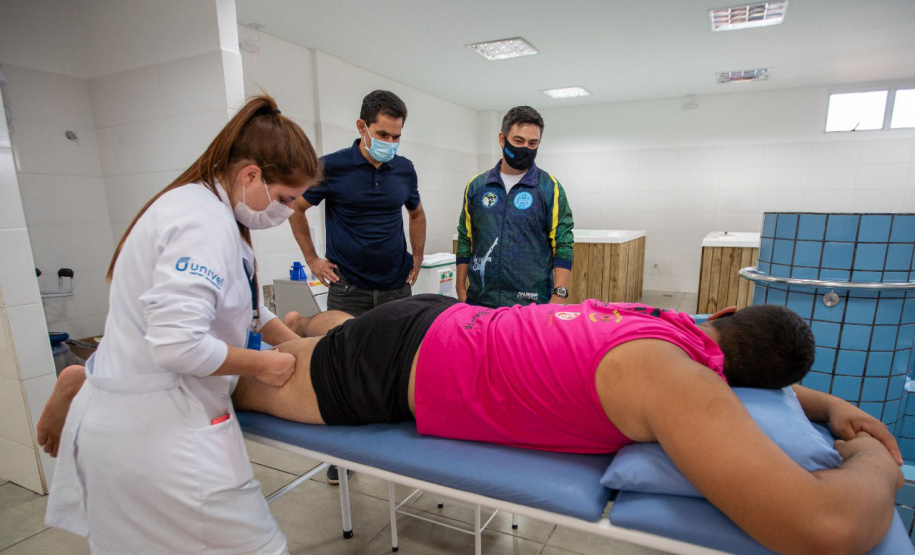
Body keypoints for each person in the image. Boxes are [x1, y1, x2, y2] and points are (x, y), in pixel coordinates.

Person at [41, 297, 903, 554]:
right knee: (220, 386)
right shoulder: (680, 384)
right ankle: (93, 375)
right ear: (744, 382)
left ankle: (300, 323)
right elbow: (822, 526)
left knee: (318, 335)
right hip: (394, 371)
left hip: (435, 322)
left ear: (718, 319)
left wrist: (820, 407)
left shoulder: (667, 323)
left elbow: (766, 394)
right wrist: (877, 467)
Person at [37, 95, 320, 555]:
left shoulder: (206, 210)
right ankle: (82, 382)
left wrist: (298, 344)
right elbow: (178, 346)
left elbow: (242, 307)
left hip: (131, 423)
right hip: (162, 437)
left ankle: (84, 381)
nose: (286, 211)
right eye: (285, 199)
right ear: (251, 175)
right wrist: (262, 366)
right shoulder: (201, 223)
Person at [289, 89, 425, 317]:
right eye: (382, 135)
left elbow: (417, 214)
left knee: (396, 352)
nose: (390, 143)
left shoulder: (404, 169)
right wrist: (311, 259)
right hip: (348, 290)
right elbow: (296, 208)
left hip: (396, 287)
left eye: (396, 136)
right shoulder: (331, 166)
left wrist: (419, 255)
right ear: (362, 127)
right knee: (345, 351)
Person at [455, 106, 574, 308]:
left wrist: (559, 296)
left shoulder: (549, 187)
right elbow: (465, 238)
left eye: (533, 143)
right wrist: (460, 289)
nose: (525, 148)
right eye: (518, 141)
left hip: (532, 304)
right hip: (480, 301)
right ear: (502, 139)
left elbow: (563, 242)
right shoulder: (477, 186)